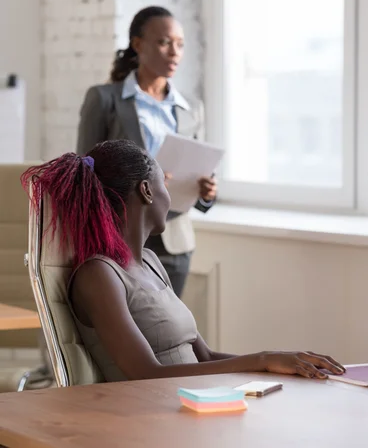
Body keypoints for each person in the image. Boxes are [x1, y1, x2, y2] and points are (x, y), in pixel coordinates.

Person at [21, 140, 345, 383]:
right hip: (149, 417)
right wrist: (262, 360)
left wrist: (280, 364)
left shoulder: (150, 261)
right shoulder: (99, 275)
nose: (170, 196)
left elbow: (204, 358)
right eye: (165, 183)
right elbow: (147, 374)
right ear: (146, 191)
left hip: (191, 402)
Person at [76, 6, 217, 298]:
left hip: (175, 242)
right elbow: (84, 173)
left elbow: (199, 169)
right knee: (125, 335)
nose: (174, 52)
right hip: (118, 239)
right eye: (164, 42)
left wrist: (207, 193)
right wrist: (143, 183)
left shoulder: (191, 109)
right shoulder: (104, 99)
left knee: (169, 333)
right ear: (138, 44)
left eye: (179, 44)